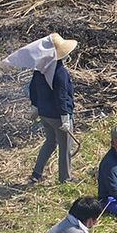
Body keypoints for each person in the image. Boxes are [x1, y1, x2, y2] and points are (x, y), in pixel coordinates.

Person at [14, 32, 77, 184]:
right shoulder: (60, 72)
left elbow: (33, 88)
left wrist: (35, 106)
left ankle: (36, 173)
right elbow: (61, 96)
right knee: (65, 146)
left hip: (44, 114)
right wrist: (65, 116)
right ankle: (65, 178)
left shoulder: (40, 69)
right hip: (57, 116)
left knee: (50, 142)